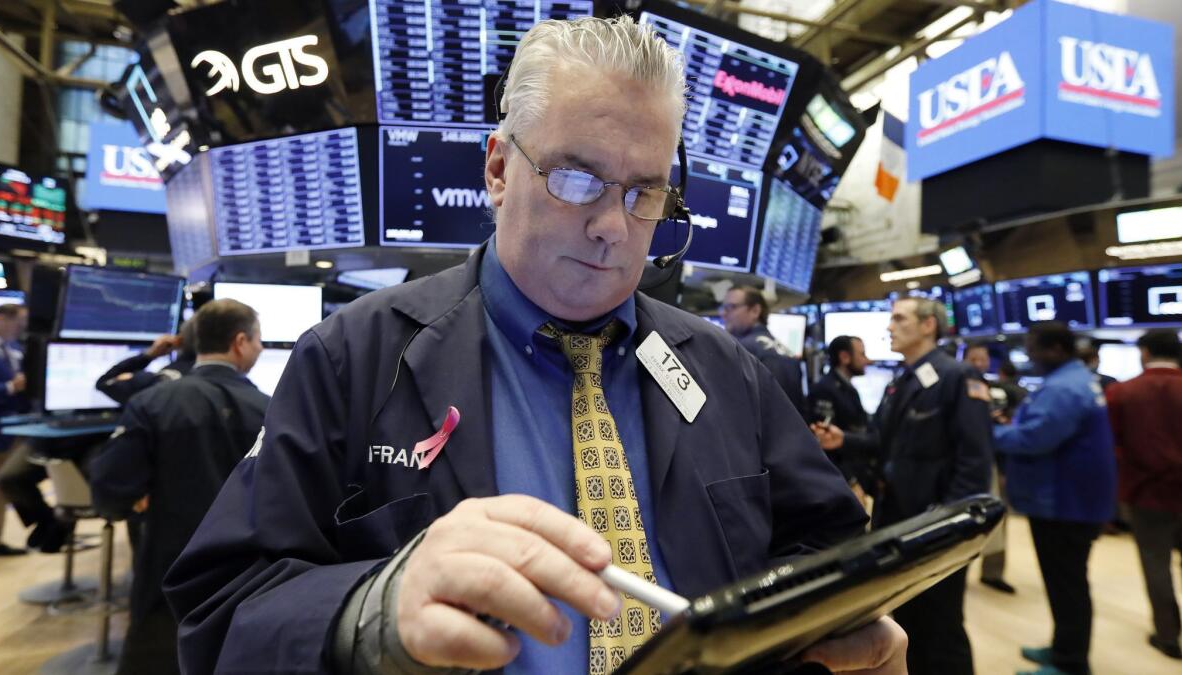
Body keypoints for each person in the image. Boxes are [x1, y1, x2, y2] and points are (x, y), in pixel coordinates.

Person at [165, 16, 905, 675]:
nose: (614, 226)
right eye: (578, 178)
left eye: (644, 191)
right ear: (497, 168)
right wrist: (373, 609)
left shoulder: (725, 369)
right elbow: (223, 610)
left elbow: (826, 547)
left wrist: (835, 629)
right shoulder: (354, 356)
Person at [812, 297, 993, 675]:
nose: (889, 327)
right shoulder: (902, 381)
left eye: (899, 319)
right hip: (899, 522)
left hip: (937, 528)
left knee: (942, 629)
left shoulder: (958, 378)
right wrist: (842, 439)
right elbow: (881, 439)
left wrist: (954, 528)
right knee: (910, 623)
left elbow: (974, 463)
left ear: (928, 326)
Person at [90, 299, 269, 674]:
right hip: (249, 575)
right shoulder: (273, 410)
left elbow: (109, 486)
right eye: (258, 341)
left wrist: (129, 503)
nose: (260, 349)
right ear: (240, 342)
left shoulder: (152, 401)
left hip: (166, 571)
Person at [993, 322, 1116, 675]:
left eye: (1033, 348)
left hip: (1065, 504)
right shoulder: (1074, 379)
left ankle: (1070, 664)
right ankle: (1064, 647)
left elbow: (1035, 439)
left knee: (1067, 585)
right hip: (1071, 500)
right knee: (1066, 583)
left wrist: (990, 432)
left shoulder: (1064, 387)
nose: (1029, 356)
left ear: (1056, 350)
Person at [1104, 329, 1182, 661]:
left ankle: (1167, 635)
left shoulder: (1122, 392)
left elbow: (1112, 444)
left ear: (1145, 352)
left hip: (1145, 494)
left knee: (1156, 565)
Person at [962, 343, 1016, 595]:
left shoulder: (996, 390)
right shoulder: (955, 388)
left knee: (998, 518)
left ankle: (993, 572)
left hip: (992, 460)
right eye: (974, 358)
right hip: (962, 465)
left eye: (982, 359)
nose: (979, 364)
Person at [720, 286, 806, 413]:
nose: (723, 314)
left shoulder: (743, 349)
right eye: (723, 308)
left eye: (731, 307)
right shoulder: (788, 352)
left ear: (755, 311)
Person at [807, 335, 875, 495]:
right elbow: (824, 443)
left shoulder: (847, 388)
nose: (867, 360)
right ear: (845, 357)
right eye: (862, 354)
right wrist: (850, 481)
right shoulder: (824, 390)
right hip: (843, 483)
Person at [0, 304, 29, 557]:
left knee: (0, 489)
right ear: (2, 318)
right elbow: (8, 385)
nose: (20, 329)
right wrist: (9, 388)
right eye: (18, 323)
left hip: (9, 430)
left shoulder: (12, 348)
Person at [96, 319, 197, 405]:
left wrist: (150, 354)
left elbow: (104, 383)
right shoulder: (208, 377)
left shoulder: (163, 380)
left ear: (178, 341)